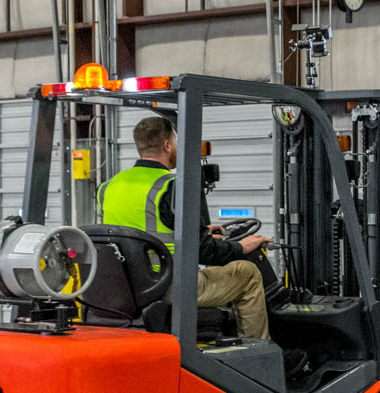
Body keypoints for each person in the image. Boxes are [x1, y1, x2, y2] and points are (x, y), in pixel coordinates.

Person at [98, 115, 271, 339]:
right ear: (168, 145)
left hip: (127, 286)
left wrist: (202, 231)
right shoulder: (172, 186)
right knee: (248, 274)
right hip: (167, 285)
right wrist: (240, 247)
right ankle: (258, 355)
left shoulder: (109, 186)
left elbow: (141, 227)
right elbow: (203, 251)